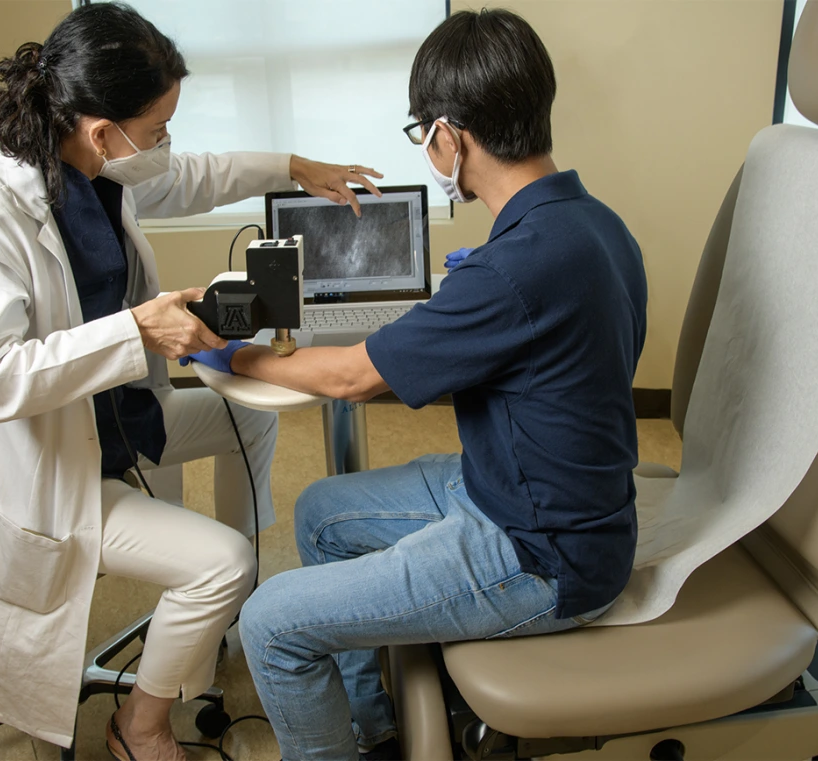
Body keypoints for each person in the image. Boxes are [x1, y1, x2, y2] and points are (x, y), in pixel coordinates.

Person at [0, 4, 382, 760]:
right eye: (158, 127)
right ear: (103, 130)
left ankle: (225, 612)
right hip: (44, 473)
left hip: (113, 416)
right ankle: (142, 724)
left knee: (249, 421)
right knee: (215, 561)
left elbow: (194, 175)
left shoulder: (93, 166)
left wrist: (294, 167)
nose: (166, 143)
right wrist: (137, 331)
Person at [185, 9, 648, 760]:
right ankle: (378, 731)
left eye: (421, 135)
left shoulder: (515, 266)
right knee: (322, 512)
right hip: (521, 489)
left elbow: (350, 376)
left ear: (448, 136)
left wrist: (228, 353)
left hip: (541, 552)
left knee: (270, 622)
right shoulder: (595, 224)